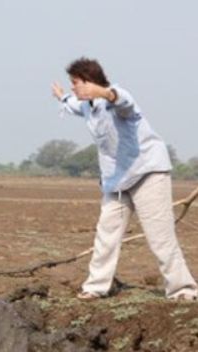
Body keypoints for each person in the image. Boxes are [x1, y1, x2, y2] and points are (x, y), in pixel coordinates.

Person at [51, 57, 198, 301]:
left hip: (147, 173)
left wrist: (104, 92)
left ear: (89, 81)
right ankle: (96, 287)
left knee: (160, 236)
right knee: (106, 233)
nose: (73, 88)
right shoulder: (86, 106)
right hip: (116, 180)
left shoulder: (116, 99)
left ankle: (183, 289)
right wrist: (61, 97)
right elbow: (73, 104)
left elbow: (123, 101)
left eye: (75, 83)